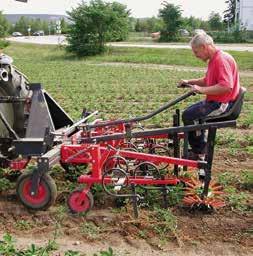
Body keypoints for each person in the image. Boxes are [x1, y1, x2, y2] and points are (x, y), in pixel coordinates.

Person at [178, 33, 240, 161]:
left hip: (222, 104)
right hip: (214, 101)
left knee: (191, 116)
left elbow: (226, 86)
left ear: (204, 47)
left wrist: (201, 90)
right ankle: (199, 148)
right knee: (188, 114)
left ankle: (199, 153)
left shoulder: (221, 60)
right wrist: (189, 82)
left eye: (196, 52)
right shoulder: (214, 59)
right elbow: (207, 80)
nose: (196, 56)